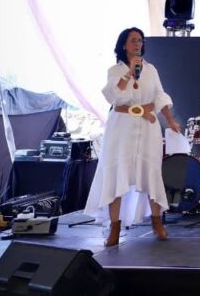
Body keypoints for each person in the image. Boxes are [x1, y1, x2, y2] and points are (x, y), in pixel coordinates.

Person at [84, 27, 182, 247]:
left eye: (140, 40)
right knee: (117, 173)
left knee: (151, 172)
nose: (138, 44)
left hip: (148, 126)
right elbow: (115, 96)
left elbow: (160, 96)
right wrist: (129, 72)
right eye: (133, 40)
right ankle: (114, 227)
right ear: (124, 45)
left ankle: (157, 222)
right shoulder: (115, 70)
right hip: (121, 128)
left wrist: (170, 120)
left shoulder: (151, 70)